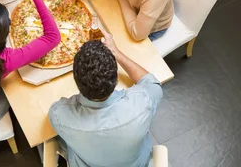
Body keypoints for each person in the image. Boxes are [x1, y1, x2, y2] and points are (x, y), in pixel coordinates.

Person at [49, 31, 163, 167]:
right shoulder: (142, 103)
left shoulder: (59, 116)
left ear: (76, 82)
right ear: (116, 79)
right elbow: (152, 84)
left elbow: (54, 110)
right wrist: (117, 53)